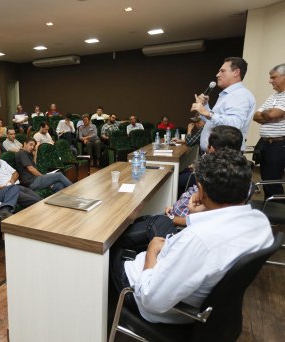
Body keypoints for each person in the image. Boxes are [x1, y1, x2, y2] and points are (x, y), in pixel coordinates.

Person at [109, 148, 273, 324]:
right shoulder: (260, 222)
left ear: (201, 191)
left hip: (142, 292)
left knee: (110, 250)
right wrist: (199, 214)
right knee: (155, 224)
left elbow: (151, 301)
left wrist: (151, 253)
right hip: (184, 285)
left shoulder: (199, 240)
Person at [171, 125, 243, 226]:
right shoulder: (238, 172)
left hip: (180, 222)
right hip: (178, 213)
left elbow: (202, 220)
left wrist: (171, 218)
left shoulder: (218, 179)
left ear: (212, 149)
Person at [191, 57, 255, 152]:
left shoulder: (240, 95)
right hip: (217, 154)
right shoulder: (228, 95)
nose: (217, 75)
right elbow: (214, 122)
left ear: (236, 72)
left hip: (226, 157)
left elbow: (235, 125)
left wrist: (208, 113)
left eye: (222, 71)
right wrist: (205, 106)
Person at [252, 63, 285, 199]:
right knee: (266, 179)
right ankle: (269, 210)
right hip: (266, 144)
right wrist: (269, 113)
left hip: (279, 144)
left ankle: (278, 215)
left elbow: (272, 115)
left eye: (273, 77)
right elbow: (255, 116)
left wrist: (268, 114)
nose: (270, 81)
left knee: (272, 181)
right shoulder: (273, 96)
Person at [0, 143, 41, 208]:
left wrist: (12, 181)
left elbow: (16, 173)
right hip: (3, 191)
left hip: (16, 186)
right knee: (35, 201)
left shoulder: (2, 161)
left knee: (38, 197)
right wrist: (4, 187)